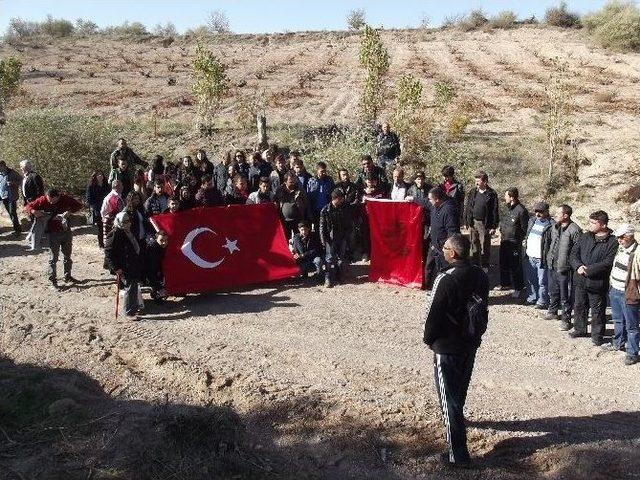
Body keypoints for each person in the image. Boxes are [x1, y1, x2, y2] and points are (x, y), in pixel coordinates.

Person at [422, 233, 489, 468]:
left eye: (446, 248)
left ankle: (457, 455)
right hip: (469, 343)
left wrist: (429, 339)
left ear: (454, 253)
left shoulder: (445, 278)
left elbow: (433, 314)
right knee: (458, 393)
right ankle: (458, 427)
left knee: (448, 400)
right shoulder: (481, 275)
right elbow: (483, 311)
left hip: (446, 346)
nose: (443, 250)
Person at [569, 210, 617, 346]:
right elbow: (573, 254)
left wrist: (588, 270)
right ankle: (580, 329)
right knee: (579, 306)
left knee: (597, 310)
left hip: (597, 282)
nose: (589, 225)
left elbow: (608, 262)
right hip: (580, 279)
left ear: (603, 225)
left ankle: (597, 336)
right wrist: (578, 266)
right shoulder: (585, 236)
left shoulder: (612, 241)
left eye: (593, 223)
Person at [25, 188, 82, 291]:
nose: (50, 202)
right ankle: (53, 281)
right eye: (49, 200)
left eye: (53, 200)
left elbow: (78, 205)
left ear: (58, 196)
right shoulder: (43, 200)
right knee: (53, 258)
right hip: (52, 233)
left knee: (67, 255)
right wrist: (34, 211)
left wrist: (69, 211)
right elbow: (28, 206)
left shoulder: (65, 198)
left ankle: (67, 276)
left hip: (66, 230)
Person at [602, 224, 639, 365]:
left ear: (630, 236)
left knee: (632, 325)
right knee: (618, 320)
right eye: (618, 237)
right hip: (615, 289)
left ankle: (632, 352)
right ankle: (618, 343)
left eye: (622, 237)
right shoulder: (620, 249)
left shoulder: (638, 252)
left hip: (628, 292)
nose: (619, 240)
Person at [545, 204, 582, 327]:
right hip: (553, 265)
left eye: (558, 213)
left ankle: (566, 319)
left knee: (565, 295)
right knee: (553, 291)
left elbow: (578, 250)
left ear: (565, 215)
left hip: (565, 268)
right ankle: (553, 311)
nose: (555, 215)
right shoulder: (555, 227)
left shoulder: (575, 229)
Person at [104, 211, 143, 320]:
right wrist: (116, 267)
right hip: (124, 265)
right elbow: (108, 252)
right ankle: (129, 312)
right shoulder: (115, 233)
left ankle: (133, 309)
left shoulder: (128, 231)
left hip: (132, 263)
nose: (128, 223)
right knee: (129, 287)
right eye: (125, 221)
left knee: (134, 285)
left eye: (128, 221)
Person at [425, 187, 460, 290]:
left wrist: (448, 248)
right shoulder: (434, 206)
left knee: (444, 270)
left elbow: (452, 231)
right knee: (429, 266)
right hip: (434, 245)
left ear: (437, 199)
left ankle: (445, 290)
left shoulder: (448, 210)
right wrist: (413, 198)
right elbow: (425, 203)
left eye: (430, 199)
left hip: (444, 247)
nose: (429, 201)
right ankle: (429, 287)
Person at [496, 188, 529, 299]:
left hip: (514, 242)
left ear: (512, 197)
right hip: (504, 240)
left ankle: (518, 288)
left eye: (506, 196)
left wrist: (520, 239)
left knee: (515, 266)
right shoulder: (507, 208)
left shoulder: (521, 210)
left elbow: (525, 229)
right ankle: (505, 284)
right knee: (503, 262)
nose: (504, 198)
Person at [463, 171, 498, 271]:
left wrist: (493, 226)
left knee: (484, 244)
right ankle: (474, 264)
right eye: (476, 181)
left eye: (478, 181)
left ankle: (485, 265)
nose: (476, 183)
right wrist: (466, 220)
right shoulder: (473, 192)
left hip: (485, 223)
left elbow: (494, 210)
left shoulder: (491, 194)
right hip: (473, 222)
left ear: (485, 182)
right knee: (473, 243)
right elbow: (468, 207)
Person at [524, 202, 554, 309]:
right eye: (536, 211)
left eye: (540, 212)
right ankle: (532, 297)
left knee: (542, 281)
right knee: (531, 280)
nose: (537, 214)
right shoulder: (532, 221)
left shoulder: (552, 224)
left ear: (546, 212)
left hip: (542, 258)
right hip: (530, 255)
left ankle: (542, 301)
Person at [319, 189, 351, 288]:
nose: (342, 201)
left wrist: (348, 235)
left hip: (342, 236)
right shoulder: (325, 210)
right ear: (335, 199)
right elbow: (322, 226)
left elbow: (348, 223)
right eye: (340, 199)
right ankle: (327, 277)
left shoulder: (344, 208)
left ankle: (339, 275)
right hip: (330, 238)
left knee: (341, 258)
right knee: (329, 258)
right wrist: (323, 240)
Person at [275, 171, 307, 240]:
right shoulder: (280, 190)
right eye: (290, 182)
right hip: (284, 220)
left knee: (298, 239)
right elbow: (275, 203)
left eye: (294, 181)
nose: (293, 183)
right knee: (285, 239)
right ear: (285, 181)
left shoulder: (300, 190)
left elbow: (306, 203)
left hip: (297, 220)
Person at [307, 161, 335, 230]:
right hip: (316, 210)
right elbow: (308, 198)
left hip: (327, 209)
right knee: (317, 229)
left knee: (328, 229)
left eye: (325, 171)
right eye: (322, 171)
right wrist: (309, 212)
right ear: (317, 170)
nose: (324, 173)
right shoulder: (311, 181)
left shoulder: (329, 180)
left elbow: (333, 194)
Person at [86, 171, 110, 248]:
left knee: (108, 225)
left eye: (101, 174)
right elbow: (89, 199)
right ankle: (101, 244)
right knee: (100, 227)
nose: (100, 176)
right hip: (97, 209)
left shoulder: (107, 185)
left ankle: (109, 242)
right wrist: (95, 206)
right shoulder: (91, 186)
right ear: (95, 176)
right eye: (98, 175)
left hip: (107, 208)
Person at [144, 230, 168, 302]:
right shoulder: (152, 249)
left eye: (166, 240)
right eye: (161, 240)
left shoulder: (162, 246)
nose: (164, 242)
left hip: (156, 269)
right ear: (156, 239)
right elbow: (150, 270)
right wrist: (159, 287)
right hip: (147, 272)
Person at [0, 160, 22, 234]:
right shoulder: (0, 174)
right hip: (3, 197)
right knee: (10, 213)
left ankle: (17, 230)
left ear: (3, 166)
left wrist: (13, 183)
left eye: (0, 167)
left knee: (12, 213)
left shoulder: (12, 173)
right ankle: (16, 227)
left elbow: (21, 180)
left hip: (11, 197)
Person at [100, 180, 125, 246]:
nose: (123, 187)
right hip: (112, 223)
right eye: (121, 185)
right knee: (112, 243)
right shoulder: (111, 198)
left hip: (115, 222)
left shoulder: (118, 196)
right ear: (116, 186)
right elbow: (104, 212)